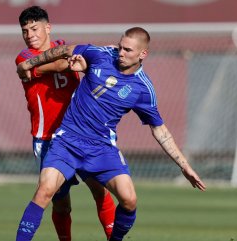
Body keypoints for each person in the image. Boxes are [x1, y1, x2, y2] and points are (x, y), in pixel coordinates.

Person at [15, 27, 207, 241]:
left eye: (127, 50)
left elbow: (160, 130)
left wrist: (184, 166)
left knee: (129, 199)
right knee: (44, 191)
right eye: (120, 46)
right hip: (67, 141)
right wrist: (29, 63)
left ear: (143, 54)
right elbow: (66, 50)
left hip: (101, 148)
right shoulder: (100, 55)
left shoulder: (143, 89)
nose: (120, 52)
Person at [15, 6, 115, 241]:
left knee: (99, 191)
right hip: (48, 138)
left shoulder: (63, 47)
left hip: (79, 133)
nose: (30, 35)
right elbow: (62, 64)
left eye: (34, 28)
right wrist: (85, 55)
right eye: (25, 30)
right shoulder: (24, 58)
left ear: (48, 27)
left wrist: (100, 55)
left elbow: (78, 61)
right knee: (60, 204)